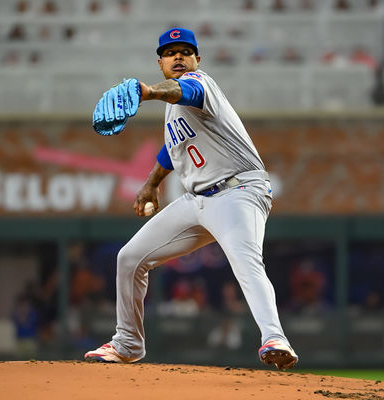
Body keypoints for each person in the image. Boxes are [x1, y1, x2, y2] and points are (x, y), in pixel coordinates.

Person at [84, 28, 298, 370]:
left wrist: (149, 91)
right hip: (197, 201)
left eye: (186, 51)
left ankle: (275, 338)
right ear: (161, 62)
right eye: (171, 53)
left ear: (198, 59)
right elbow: (172, 149)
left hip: (238, 191)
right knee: (129, 259)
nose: (179, 56)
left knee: (245, 260)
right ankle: (127, 344)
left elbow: (183, 89)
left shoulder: (200, 84)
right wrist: (151, 184)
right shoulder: (174, 112)